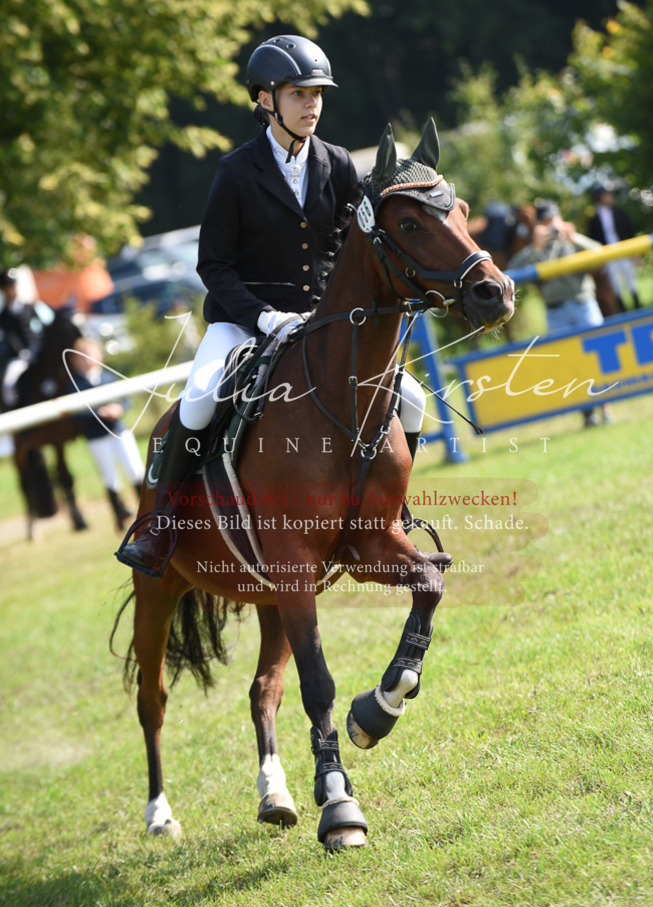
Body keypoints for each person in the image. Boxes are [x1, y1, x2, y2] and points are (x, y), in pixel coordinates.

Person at [116, 34, 427, 576]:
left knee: (415, 400)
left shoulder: (336, 162)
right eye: (298, 93)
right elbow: (213, 266)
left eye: (318, 94)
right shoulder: (236, 172)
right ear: (265, 99)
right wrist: (261, 315)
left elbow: (352, 246)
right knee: (198, 401)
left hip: (320, 322)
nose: (312, 104)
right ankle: (162, 526)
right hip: (244, 322)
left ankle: (386, 512)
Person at [508, 200, 608, 426]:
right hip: (554, 311)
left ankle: (605, 406)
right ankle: (587, 414)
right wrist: (536, 247)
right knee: (569, 363)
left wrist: (574, 238)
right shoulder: (536, 247)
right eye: (545, 222)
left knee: (597, 358)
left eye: (553, 220)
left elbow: (602, 253)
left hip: (584, 303)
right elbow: (511, 271)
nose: (551, 226)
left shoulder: (572, 239)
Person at [69, 337, 146, 530]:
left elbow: (125, 398)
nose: (87, 360)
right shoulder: (75, 384)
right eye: (82, 357)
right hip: (97, 436)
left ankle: (146, 508)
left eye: (90, 355)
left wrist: (119, 408)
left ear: (99, 356)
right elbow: (76, 411)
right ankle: (119, 514)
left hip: (119, 431)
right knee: (110, 477)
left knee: (135, 469)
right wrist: (99, 413)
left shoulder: (108, 377)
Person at [586, 183, 640, 310]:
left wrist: (636, 252)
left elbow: (629, 232)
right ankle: (623, 310)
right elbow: (594, 240)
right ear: (599, 197)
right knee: (616, 284)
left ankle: (638, 307)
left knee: (631, 280)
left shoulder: (620, 213)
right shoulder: (594, 219)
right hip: (608, 255)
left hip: (625, 251)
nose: (610, 197)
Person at [0, 267, 46, 409]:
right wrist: (22, 352)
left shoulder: (30, 307)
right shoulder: (4, 316)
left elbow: (40, 328)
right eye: (8, 288)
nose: (11, 290)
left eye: (13, 286)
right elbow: (11, 337)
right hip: (19, 356)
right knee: (9, 381)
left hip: (37, 352)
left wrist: (34, 348)